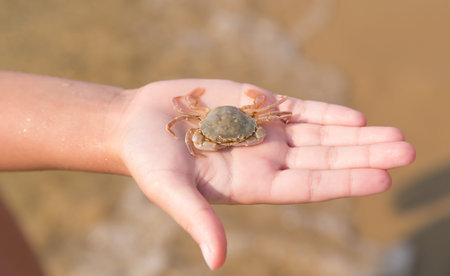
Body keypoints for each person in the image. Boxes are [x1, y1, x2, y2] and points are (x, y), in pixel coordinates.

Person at [0, 70, 415, 270]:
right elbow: (183, 118)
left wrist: (117, 117)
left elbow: (267, 116)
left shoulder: (256, 119)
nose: (235, 145)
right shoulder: (197, 121)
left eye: (244, 137)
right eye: (224, 141)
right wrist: (121, 119)